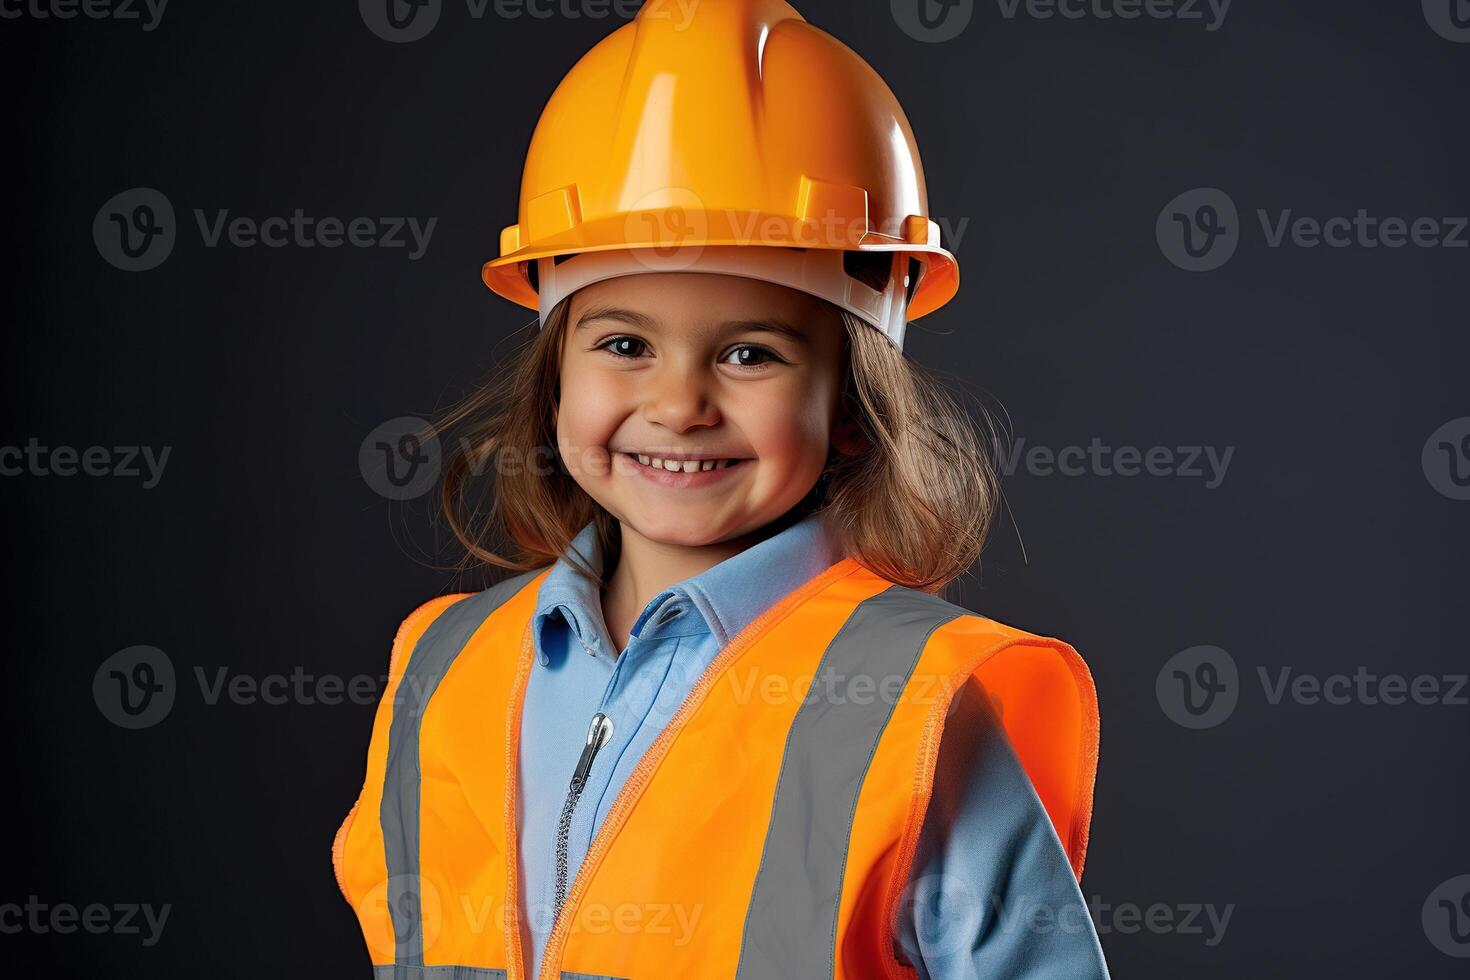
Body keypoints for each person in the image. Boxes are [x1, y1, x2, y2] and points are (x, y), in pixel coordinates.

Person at [334, 2, 1108, 978]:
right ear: (555, 376)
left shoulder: (914, 709)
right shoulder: (446, 665)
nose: (679, 401)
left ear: (854, 403)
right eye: (624, 344)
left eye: (750, 352)